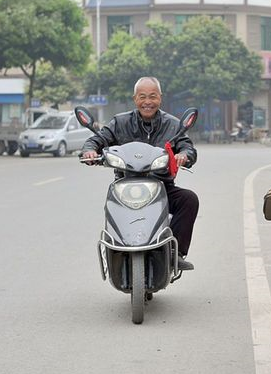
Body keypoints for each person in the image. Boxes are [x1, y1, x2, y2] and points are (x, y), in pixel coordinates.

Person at [80, 77, 199, 271]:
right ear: (135, 99)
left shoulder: (173, 124)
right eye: (142, 96)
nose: (148, 101)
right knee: (111, 205)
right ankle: (115, 249)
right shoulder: (120, 122)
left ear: (160, 98)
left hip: (161, 186)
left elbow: (187, 147)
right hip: (125, 186)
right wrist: (89, 151)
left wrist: (184, 155)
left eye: (153, 96)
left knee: (189, 199)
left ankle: (175, 253)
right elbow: (98, 139)